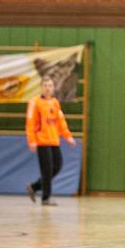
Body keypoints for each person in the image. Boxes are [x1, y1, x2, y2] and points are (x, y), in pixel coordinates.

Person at [25, 75, 76, 206]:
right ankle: (46, 198)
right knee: (46, 170)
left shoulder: (55, 103)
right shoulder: (34, 102)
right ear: (41, 87)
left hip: (54, 140)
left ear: (53, 88)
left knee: (57, 167)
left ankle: (35, 187)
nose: (48, 89)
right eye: (45, 86)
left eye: (50, 86)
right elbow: (30, 123)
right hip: (42, 141)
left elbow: (61, 122)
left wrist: (68, 136)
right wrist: (32, 140)